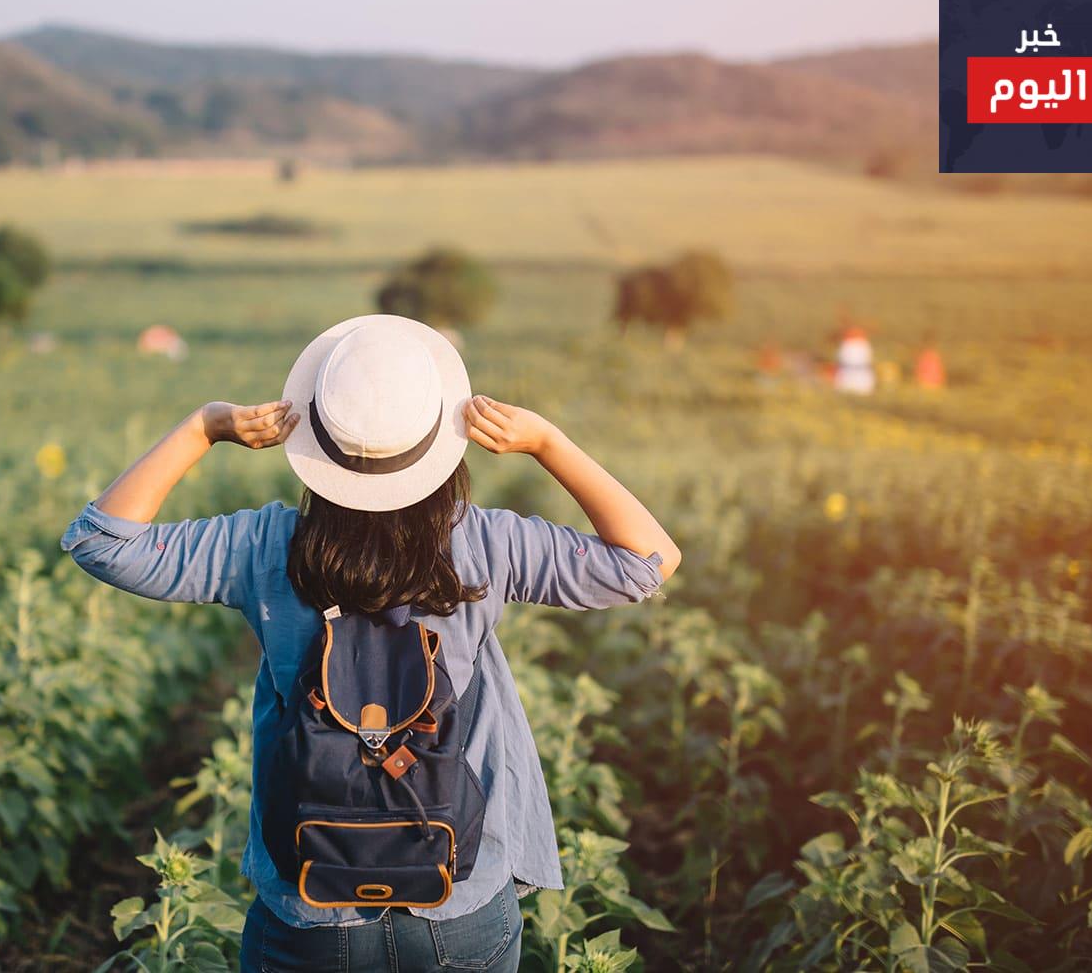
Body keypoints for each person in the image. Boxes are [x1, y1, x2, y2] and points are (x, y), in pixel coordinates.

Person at [61, 314, 681, 973]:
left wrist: (203, 428)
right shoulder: (485, 544)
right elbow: (648, 559)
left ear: (316, 441)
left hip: (311, 906)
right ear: (441, 437)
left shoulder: (263, 547)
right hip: (460, 899)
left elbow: (99, 540)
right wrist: (548, 442)